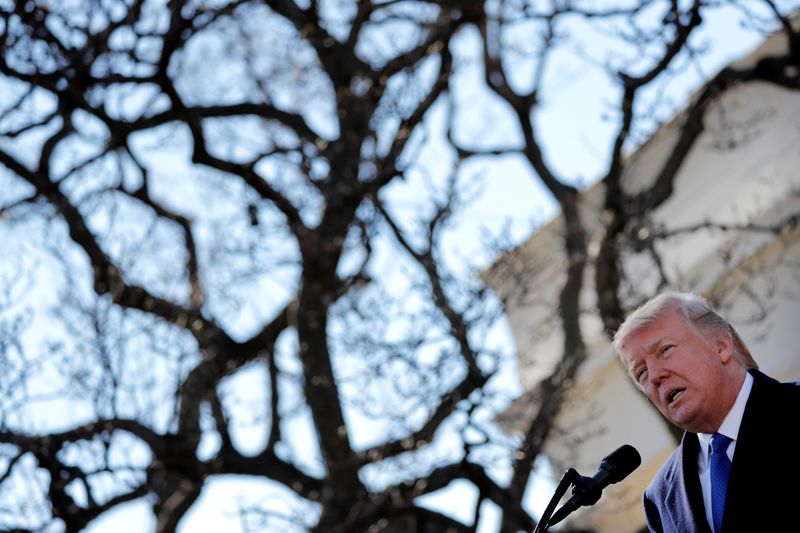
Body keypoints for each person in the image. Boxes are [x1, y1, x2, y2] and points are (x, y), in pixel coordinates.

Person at [613, 291, 800, 533]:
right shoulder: (659, 498)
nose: (655, 375)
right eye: (641, 373)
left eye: (665, 350)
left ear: (721, 345)